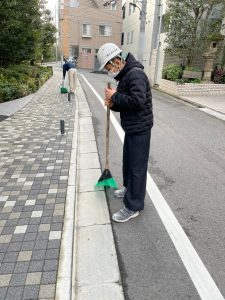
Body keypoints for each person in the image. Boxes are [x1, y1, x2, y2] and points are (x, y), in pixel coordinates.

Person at [97, 43, 153, 223]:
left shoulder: (136, 74)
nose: (109, 71)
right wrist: (113, 104)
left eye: (109, 67)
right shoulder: (125, 75)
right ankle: (129, 189)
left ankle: (133, 206)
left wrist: (115, 96)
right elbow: (126, 104)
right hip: (132, 127)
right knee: (128, 163)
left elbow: (137, 101)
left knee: (137, 167)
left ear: (117, 60)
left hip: (140, 129)